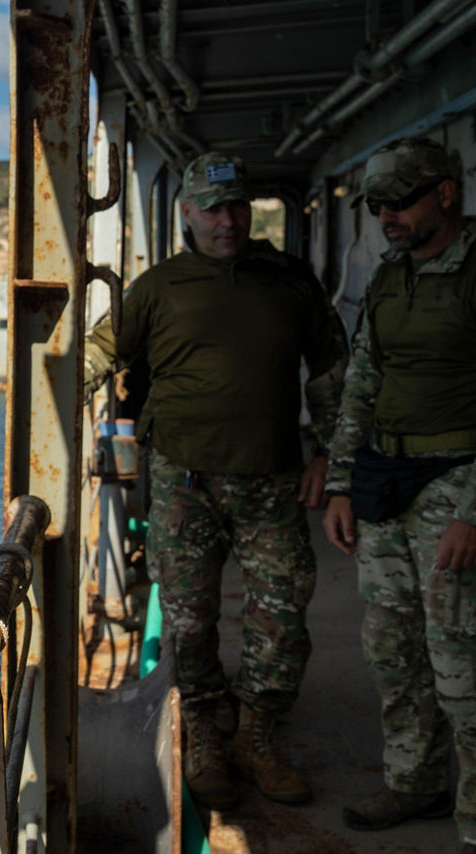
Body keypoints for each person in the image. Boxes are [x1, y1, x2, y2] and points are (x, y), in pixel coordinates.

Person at [85, 152, 348, 810]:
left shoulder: (288, 280)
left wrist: (334, 462)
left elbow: (332, 371)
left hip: (274, 481)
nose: (226, 221)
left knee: (283, 618)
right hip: (184, 482)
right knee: (190, 619)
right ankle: (203, 725)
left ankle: (256, 735)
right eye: (212, 208)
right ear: (187, 214)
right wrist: (47, 399)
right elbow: (99, 352)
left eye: (236, 206)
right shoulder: (159, 287)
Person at [322, 136, 476, 852]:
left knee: (461, 669)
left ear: (445, 193)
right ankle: (415, 783)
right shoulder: (388, 276)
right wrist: (343, 484)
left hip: (456, 481)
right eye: (377, 205)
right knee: (392, 650)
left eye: (401, 201)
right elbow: (364, 382)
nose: (387, 215)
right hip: (387, 481)